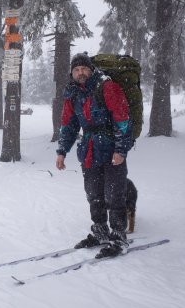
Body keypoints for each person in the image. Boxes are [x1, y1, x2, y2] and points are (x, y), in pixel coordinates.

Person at [55, 52, 134, 258]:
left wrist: (121, 149)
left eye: (84, 69)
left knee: (114, 194)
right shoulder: (73, 93)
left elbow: (123, 119)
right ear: (72, 73)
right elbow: (69, 124)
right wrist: (62, 151)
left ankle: (118, 236)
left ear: (91, 70)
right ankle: (100, 231)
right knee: (94, 194)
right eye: (76, 70)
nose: (80, 73)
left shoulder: (106, 87)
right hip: (89, 150)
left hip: (111, 148)